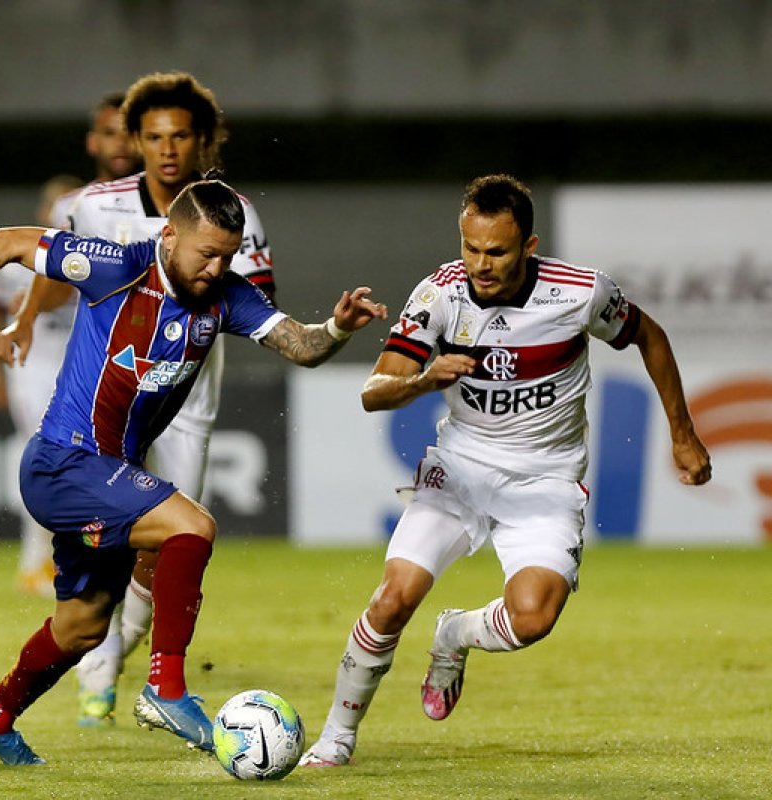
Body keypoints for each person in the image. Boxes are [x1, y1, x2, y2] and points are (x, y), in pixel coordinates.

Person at [0, 178, 387, 766]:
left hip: (107, 474)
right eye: (206, 254)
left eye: (227, 256)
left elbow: (302, 347)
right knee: (192, 527)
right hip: (64, 462)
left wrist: (338, 328)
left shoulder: (227, 296)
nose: (216, 268)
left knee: (82, 627)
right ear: (170, 235)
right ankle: (166, 688)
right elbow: (6, 242)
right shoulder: (114, 266)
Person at [298, 174, 711, 767]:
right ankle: (336, 737)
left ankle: (454, 634)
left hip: (546, 481)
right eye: (470, 248)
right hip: (460, 472)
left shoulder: (580, 293)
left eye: (496, 251)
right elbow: (374, 391)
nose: (480, 265)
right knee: (392, 600)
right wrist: (425, 380)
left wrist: (683, 433)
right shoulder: (440, 295)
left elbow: (650, 336)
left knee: (533, 618)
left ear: (529, 246)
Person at [0, 72, 275, 724]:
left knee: (166, 544)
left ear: (204, 141)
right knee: (130, 535)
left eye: (181, 136)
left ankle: (121, 651)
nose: (167, 150)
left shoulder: (234, 213)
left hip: (185, 405)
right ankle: (110, 667)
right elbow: (55, 269)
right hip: (108, 400)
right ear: (136, 141)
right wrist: (28, 316)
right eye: (153, 137)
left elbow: (258, 303)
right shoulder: (95, 205)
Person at [0, 91, 141, 596]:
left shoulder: (105, 240)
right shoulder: (25, 259)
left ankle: (80, 562)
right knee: (49, 454)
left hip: (80, 360)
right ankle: (40, 564)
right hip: (33, 361)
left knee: (89, 461)